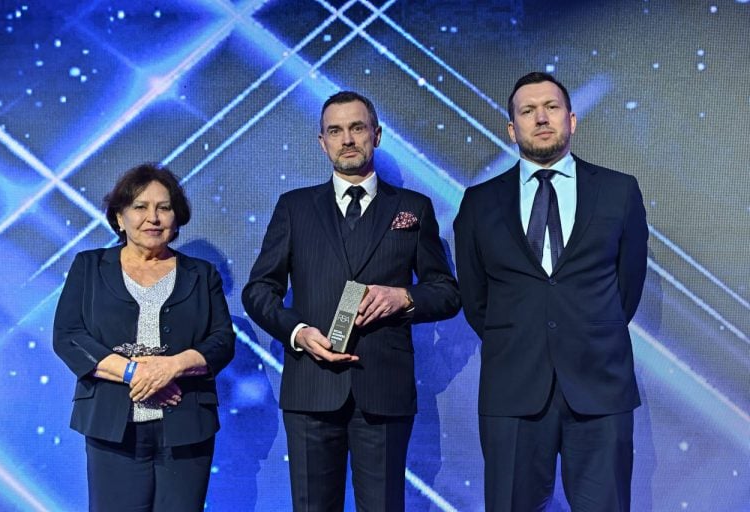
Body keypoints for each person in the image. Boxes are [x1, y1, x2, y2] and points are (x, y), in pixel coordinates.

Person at [242, 91, 460, 511]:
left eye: (357, 128)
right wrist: (297, 332)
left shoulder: (413, 208)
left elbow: (447, 293)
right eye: (335, 130)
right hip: (311, 386)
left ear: (376, 135)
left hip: (384, 388)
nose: (347, 139)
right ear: (321, 142)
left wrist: (404, 297)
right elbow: (258, 290)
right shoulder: (295, 208)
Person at [454, 72, 648, 511]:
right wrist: (522, 336)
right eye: (528, 111)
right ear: (512, 129)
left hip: (600, 386)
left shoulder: (618, 191)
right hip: (513, 389)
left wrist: (587, 330)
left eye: (552, 107)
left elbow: (627, 287)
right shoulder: (480, 202)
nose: (541, 118)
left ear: (571, 120)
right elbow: (476, 298)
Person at [53, 163, 236, 512]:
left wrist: (172, 368)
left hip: (187, 425)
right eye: (140, 207)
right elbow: (69, 336)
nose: (153, 218)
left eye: (164, 208)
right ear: (119, 218)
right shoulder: (89, 266)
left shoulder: (201, 274)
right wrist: (137, 374)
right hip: (112, 426)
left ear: (176, 219)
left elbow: (222, 341)